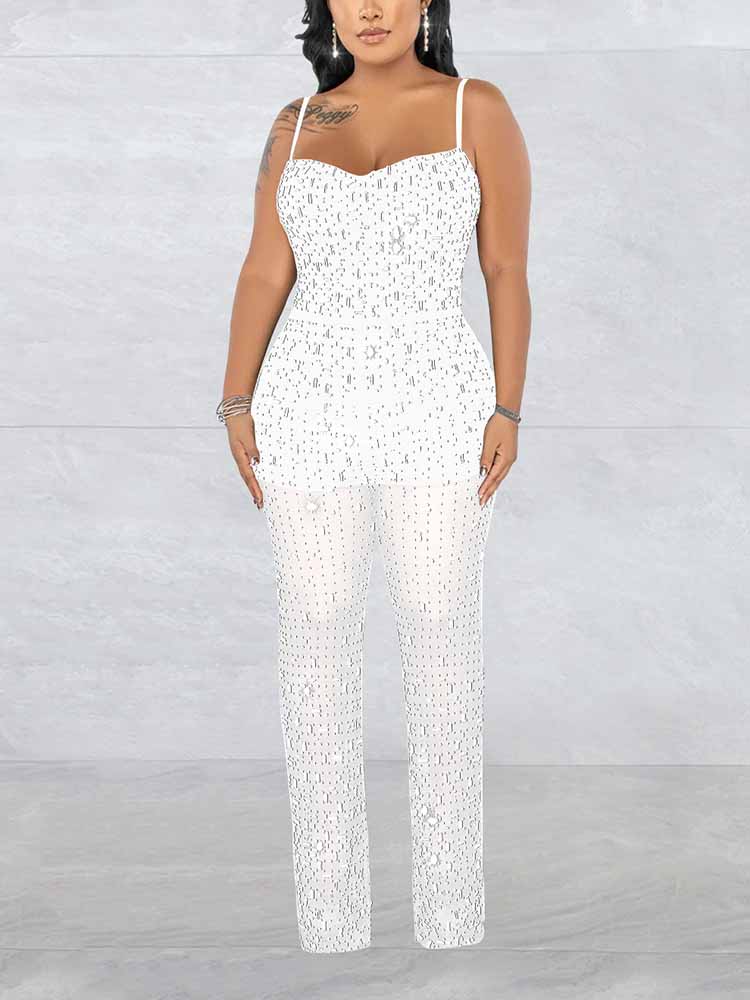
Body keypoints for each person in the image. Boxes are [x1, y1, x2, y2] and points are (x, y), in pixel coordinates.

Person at [217, 0, 531, 954]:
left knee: (441, 632)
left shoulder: (477, 107)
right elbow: (264, 270)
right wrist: (236, 399)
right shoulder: (297, 122)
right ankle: (330, 917)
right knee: (315, 638)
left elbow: (505, 268)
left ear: (427, 1)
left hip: (439, 401)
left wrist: (508, 408)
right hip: (305, 402)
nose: (370, 8)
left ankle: (451, 914)